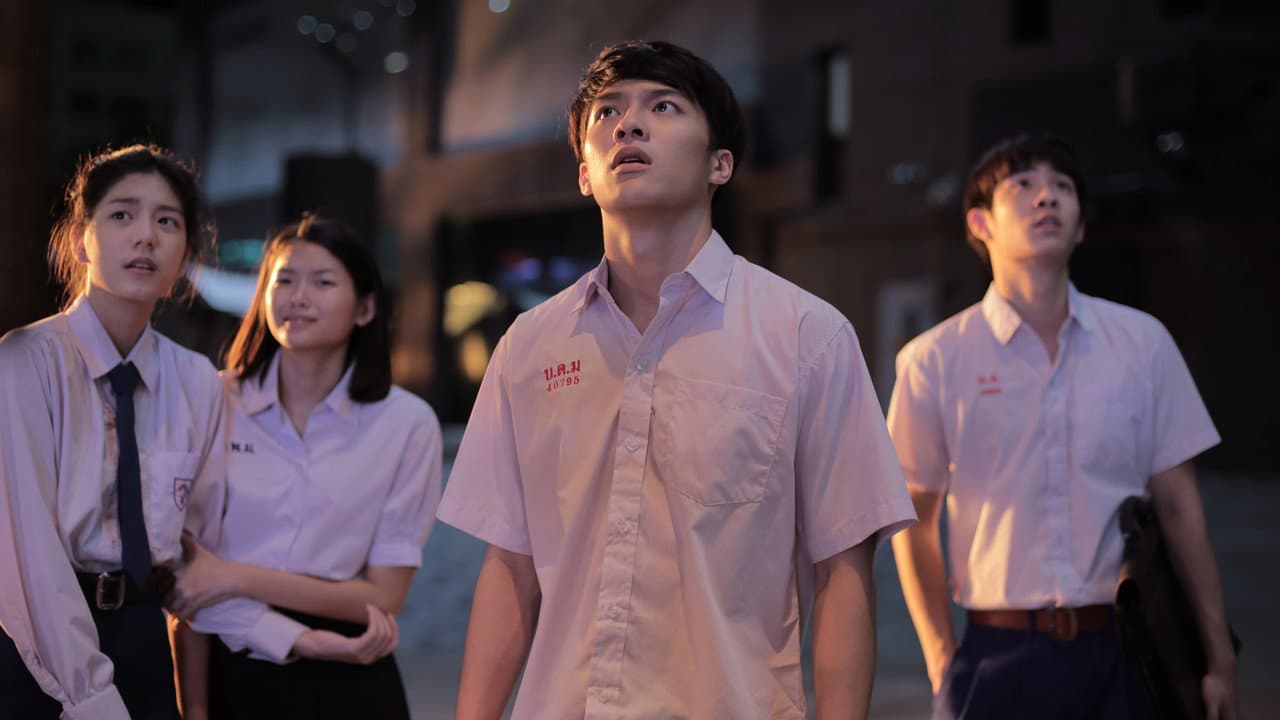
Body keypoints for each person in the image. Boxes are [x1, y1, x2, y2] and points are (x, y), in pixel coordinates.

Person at [436, 40, 916, 720]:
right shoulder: (529, 346)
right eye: (607, 113)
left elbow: (843, 571)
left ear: (721, 164)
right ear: (584, 174)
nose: (628, 125)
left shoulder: (808, 336)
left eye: (663, 107)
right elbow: (510, 567)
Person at [888, 133, 1238, 719]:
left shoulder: (1142, 343)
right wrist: (941, 657)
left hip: (1124, 652)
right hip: (996, 655)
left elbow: (1181, 508)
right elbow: (914, 520)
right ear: (980, 222)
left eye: (1062, 187)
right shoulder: (934, 360)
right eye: (1023, 184)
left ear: (1079, 227)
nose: (1046, 196)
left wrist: (1218, 660)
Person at [167, 214, 443, 720]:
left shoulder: (407, 423)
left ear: (365, 308)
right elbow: (188, 579)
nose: (298, 297)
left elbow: (384, 596)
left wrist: (232, 576)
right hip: (229, 653)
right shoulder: (213, 399)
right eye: (284, 281)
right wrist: (195, 709)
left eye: (322, 282)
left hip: (348, 666)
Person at [0, 144, 225, 720]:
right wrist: (93, 699)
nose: (145, 236)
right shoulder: (26, 362)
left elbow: (199, 547)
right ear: (81, 239)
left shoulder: (196, 379)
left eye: (167, 222)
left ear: (185, 253)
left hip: (144, 640)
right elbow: (28, 557)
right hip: (35, 648)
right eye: (122, 214)